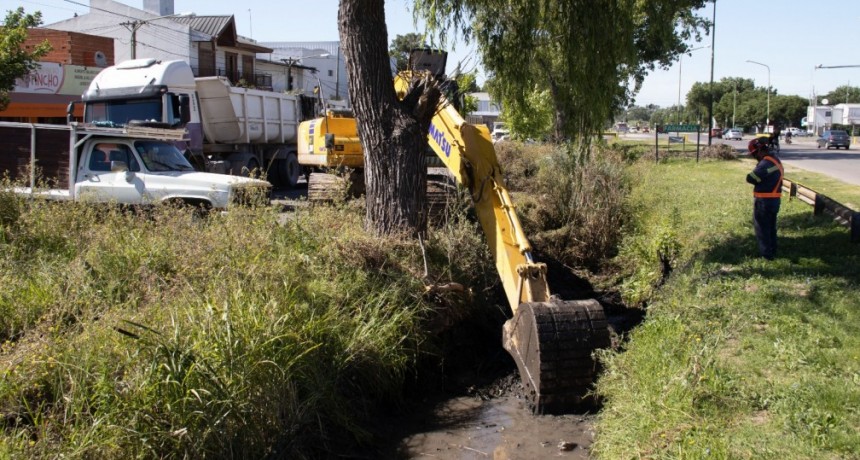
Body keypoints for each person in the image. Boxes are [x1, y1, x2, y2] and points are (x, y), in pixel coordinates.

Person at [745, 137, 784, 260]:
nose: (755, 157)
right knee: (771, 227)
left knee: (762, 228)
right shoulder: (775, 160)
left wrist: (757, 180)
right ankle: (772, 250)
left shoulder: (766, 163)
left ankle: (766, 255)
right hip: (774, 200)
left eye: (755, 154)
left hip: (764, 201)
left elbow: (751, 178)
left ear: (760, 150)